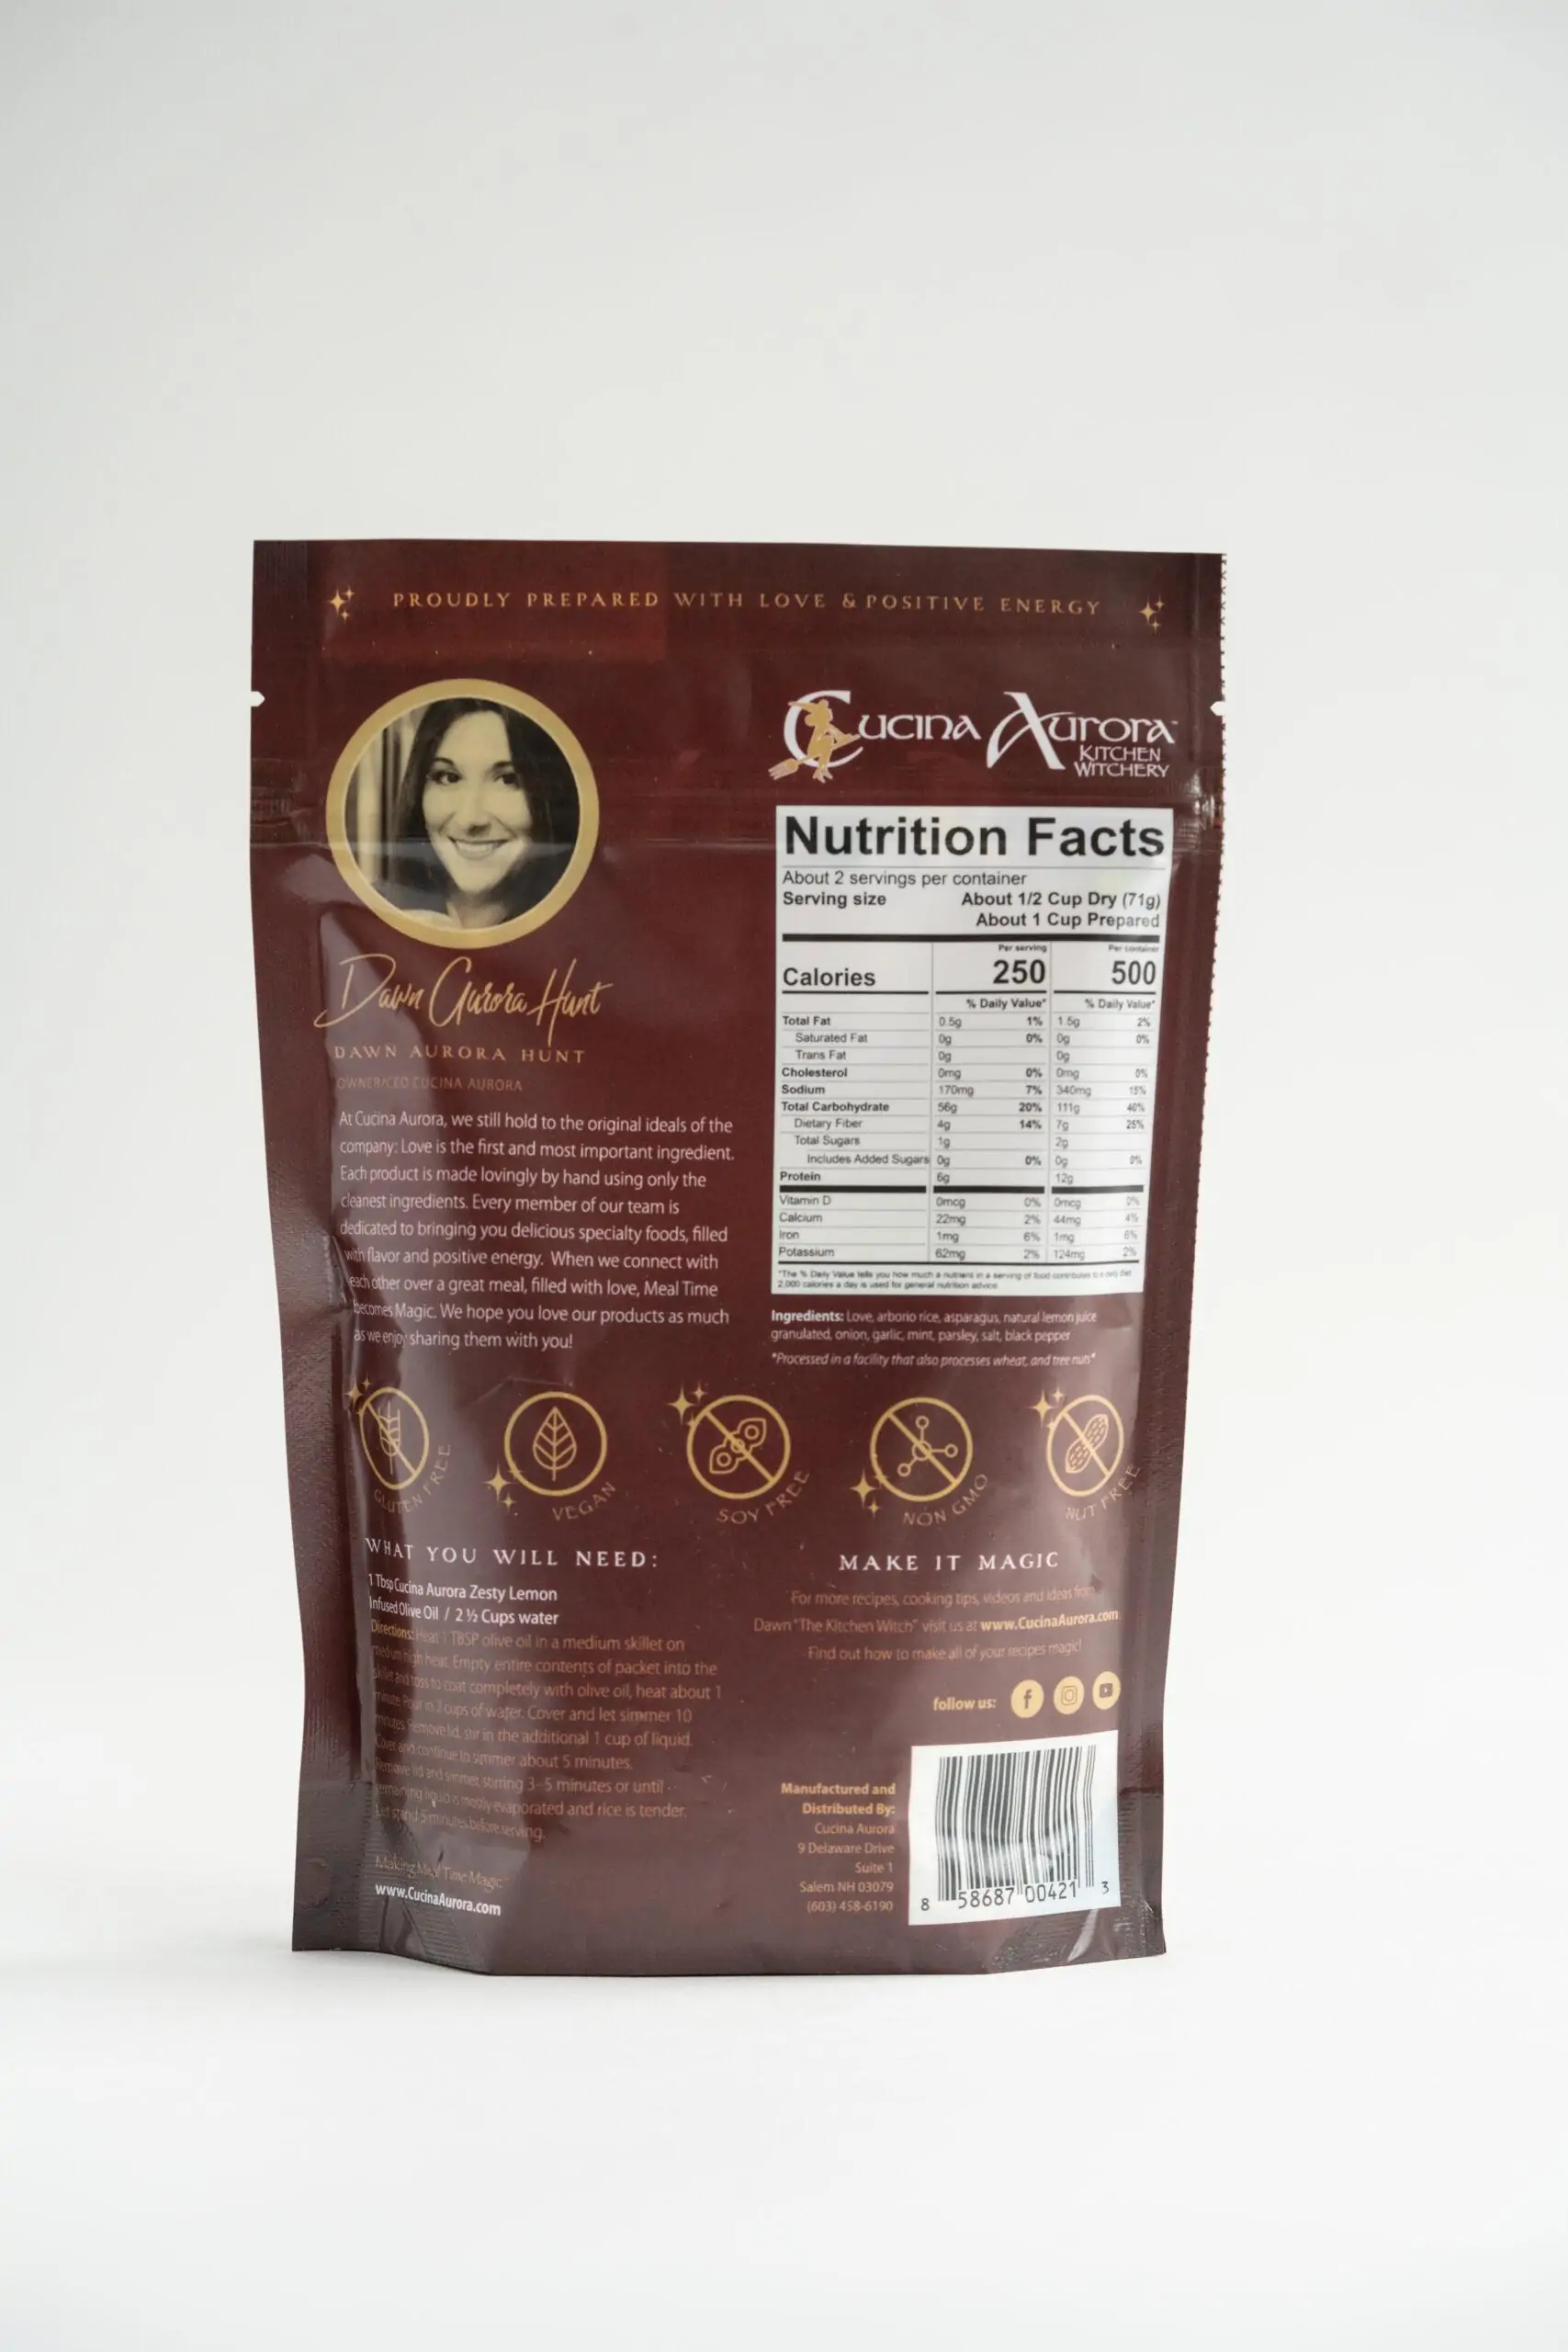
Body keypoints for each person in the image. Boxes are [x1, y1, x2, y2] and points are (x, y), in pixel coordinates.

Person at [383, 697, 578, 927]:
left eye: (508, 780)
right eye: (449, 777)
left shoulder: (587, 932)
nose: (470, 819)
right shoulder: (369, 914)